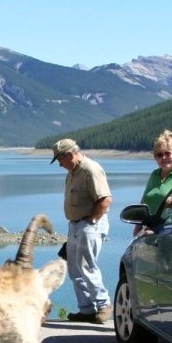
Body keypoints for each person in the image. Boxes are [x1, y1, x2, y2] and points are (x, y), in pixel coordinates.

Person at [50, 138, 113, 324]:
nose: (59, 164)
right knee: (74, 269)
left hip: (90, 224)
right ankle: (86, 309)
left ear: (70, 155)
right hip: (75, 225)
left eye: (60, 159)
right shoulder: (72, 173)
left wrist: (91, 221)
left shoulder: (90, 170)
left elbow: (105, 199)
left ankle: (103, 305)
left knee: (86, 266)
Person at [133, 129, 172, 236]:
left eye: (167, 153)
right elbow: (144, 201)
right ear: (155, 158)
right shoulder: (155, 174)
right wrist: (137, 227)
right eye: (159, 155)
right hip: (149, 232)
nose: (164, 157)